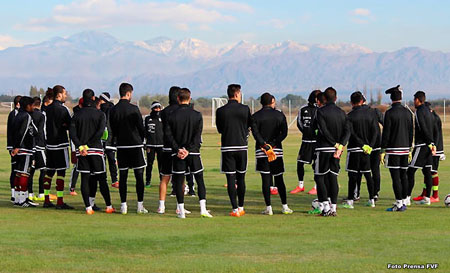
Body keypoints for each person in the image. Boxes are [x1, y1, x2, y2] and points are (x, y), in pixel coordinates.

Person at [216, 84, 264, 217]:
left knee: (230, 178)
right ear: (237, 94)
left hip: (227, 148)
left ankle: (234, 208)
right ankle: (241, 207)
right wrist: (262, 143)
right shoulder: (244, 109)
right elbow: (251, 125)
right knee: (241, 178)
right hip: (241, 148)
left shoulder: (220, 111)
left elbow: (220, 129)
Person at [165, 88, 212, 218]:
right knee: (199, 179)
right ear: (189, 98)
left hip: (178, 154)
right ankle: (203, 209)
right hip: (193, 153)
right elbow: (197, 137)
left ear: (178, 99)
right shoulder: (197, 115)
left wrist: (178, 149)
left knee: (179, 182)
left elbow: (168, 135)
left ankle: (181, 211)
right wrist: (189, 150)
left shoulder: (171, 115)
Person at [69, 89, 115, 215]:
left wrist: (80, 146)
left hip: (82, 152)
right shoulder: (100, 114)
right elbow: (100, 132)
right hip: (95, 150)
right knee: (101, 179)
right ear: (93, 98)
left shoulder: (76, 115)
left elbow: (72, 133)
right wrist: (88, 145)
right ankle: (109, 206)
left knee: (85, 178)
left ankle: (88, 207)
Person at [109, 83, 147, 214]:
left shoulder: (113, 110)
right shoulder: (134, 108)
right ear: (129, 93)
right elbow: (141, 127)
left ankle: (123, 206)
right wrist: (143, 140)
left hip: (121, 145)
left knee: (123, 177)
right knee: (139, 176)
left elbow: (113, 128)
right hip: (135, 145)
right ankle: (139, 206)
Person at [252, 93, 293, 215]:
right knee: (279, 179)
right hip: (277, 152)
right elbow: (284, 133)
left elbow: (255, 133)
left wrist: (264, 145)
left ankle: (268, 208)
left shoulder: (255, 116)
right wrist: (273, 143)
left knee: (265, 180)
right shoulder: (280, 115)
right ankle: (285, 206)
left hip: (262, 151)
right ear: (272, 101)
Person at [313, 87, 350, 217]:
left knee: (319, 177)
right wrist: (340, 145)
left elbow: (322, 130)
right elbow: (348, 131)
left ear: (324, 98)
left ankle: (325, 207)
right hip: (336, 150)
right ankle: (333, 208)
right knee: (333, 177)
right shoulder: (342, 113)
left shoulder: (320, 111)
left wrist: (333, 143)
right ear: (335, 98)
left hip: (323, 148)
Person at [381, 85, 413, 212]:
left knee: (395, 177)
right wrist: (410, 147)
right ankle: (404, 200)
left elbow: (386, 133)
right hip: (405, 149)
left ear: (391, 98)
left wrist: (383, 150)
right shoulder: (408, 112)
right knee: (403, 176)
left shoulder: (389, 113)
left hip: (393, 149)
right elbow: (411, 132)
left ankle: (399, 203)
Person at [343, 92, 378, 209]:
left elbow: (351, 133)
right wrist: (369, 146)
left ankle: (350, 201)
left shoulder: (350, 116)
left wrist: (361, 145)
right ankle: (371, 199)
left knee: (352, 176)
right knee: (368, 175)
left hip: (354, 149)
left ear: (352, 102)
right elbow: (375, 131)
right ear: (362, 101)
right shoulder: (371, 114)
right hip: (367, 151)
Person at [43, 85, 74, 209]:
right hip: (61, 144)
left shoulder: (46, 109)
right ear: (59, 94)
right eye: (65, 94)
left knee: (49, 173)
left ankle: (46, 200)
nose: (66, 96)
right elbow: (70, 125)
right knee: (61, 173)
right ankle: (60, 201)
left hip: (49, 145)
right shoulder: (63, 109)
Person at [407, 91, 436, 205]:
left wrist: (428, 142)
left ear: (418, 100)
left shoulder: (419, 111)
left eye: (414, 99)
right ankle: (427, 198)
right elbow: (432, 127)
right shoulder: (428, 111)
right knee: (427, 171)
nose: (414, 102)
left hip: (422, 145)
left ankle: (407, 197)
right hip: (429, 146)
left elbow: (422, 127)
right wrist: (432, 144)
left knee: (410, 171)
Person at [291, 90, 321, 195]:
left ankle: (316, 187)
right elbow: (299, 123)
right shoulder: (303, 109)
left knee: (316, 165)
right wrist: (306, 132)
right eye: (318, 97)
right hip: (306, 142)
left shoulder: (321, 109)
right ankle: (300, 185)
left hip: (317, 143)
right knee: (300, 163)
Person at [413, 103, 444, 203]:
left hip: (434, 149)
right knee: (426, 172)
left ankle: (435, 195)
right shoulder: (432, 117)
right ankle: (425, 193)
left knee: (432, 172)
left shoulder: (434, 118)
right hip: (431, 147)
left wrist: (436, 149)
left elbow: (435, 134)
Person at [11, 96, 39, 207]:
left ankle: (18, 200)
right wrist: (18, 146)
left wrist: (14, 147)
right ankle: (22, 200)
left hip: (18, 149)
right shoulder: (27, 116)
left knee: (18, 173)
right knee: (24, 174)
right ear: (28, 106)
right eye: (32, 105)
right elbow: (23, 132)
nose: (33, 107)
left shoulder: (17, 115)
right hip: (25, 149)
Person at [157, 86, 181, 214]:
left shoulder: (164, 111)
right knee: (179, 178)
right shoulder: (180, 110)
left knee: (165, 178)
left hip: (165, 147)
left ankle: (161, 206)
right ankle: (179, 206)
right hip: (177, 148)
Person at [28, 97, 47, 201]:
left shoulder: (28, 115)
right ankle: (41, 193)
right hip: (39, 146)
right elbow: (41, 131)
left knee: (30, 171)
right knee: (43, 170)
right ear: (39, 105)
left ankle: (30, 194)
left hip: (29, 146)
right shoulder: (41, 115)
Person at [99, 92, 119, 188]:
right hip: (110, 140)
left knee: (105, 161)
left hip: (105, 139)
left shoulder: (104, 110)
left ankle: (107, 180)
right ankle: (113, 180)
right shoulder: (112, 110)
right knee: (111, 161)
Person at [144, 101, 163, 188]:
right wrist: (145, 144)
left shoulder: (163, 118)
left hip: (161, 145)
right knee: (149, 163)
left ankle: (162, 181)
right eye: (156, 108)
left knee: (161, 164)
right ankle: (148, 181)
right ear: (152, 109)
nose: (157, 110)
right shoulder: (147, 119)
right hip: (150, 145)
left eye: (159, 108)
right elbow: (144, 132)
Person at [7, 95, 21, 203]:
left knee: (18, 170)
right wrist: (12, 147)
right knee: (15, 170)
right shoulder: (14, 114)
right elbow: (12, 132)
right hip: (14, 147)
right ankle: (13, 194)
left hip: (16, 146)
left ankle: (18, 193)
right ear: (18, 104)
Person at [69, 98, 83, 196]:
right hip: (76, 144)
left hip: (82, 144)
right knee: (76, 166)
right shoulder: (76, 115)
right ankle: (72, 187)